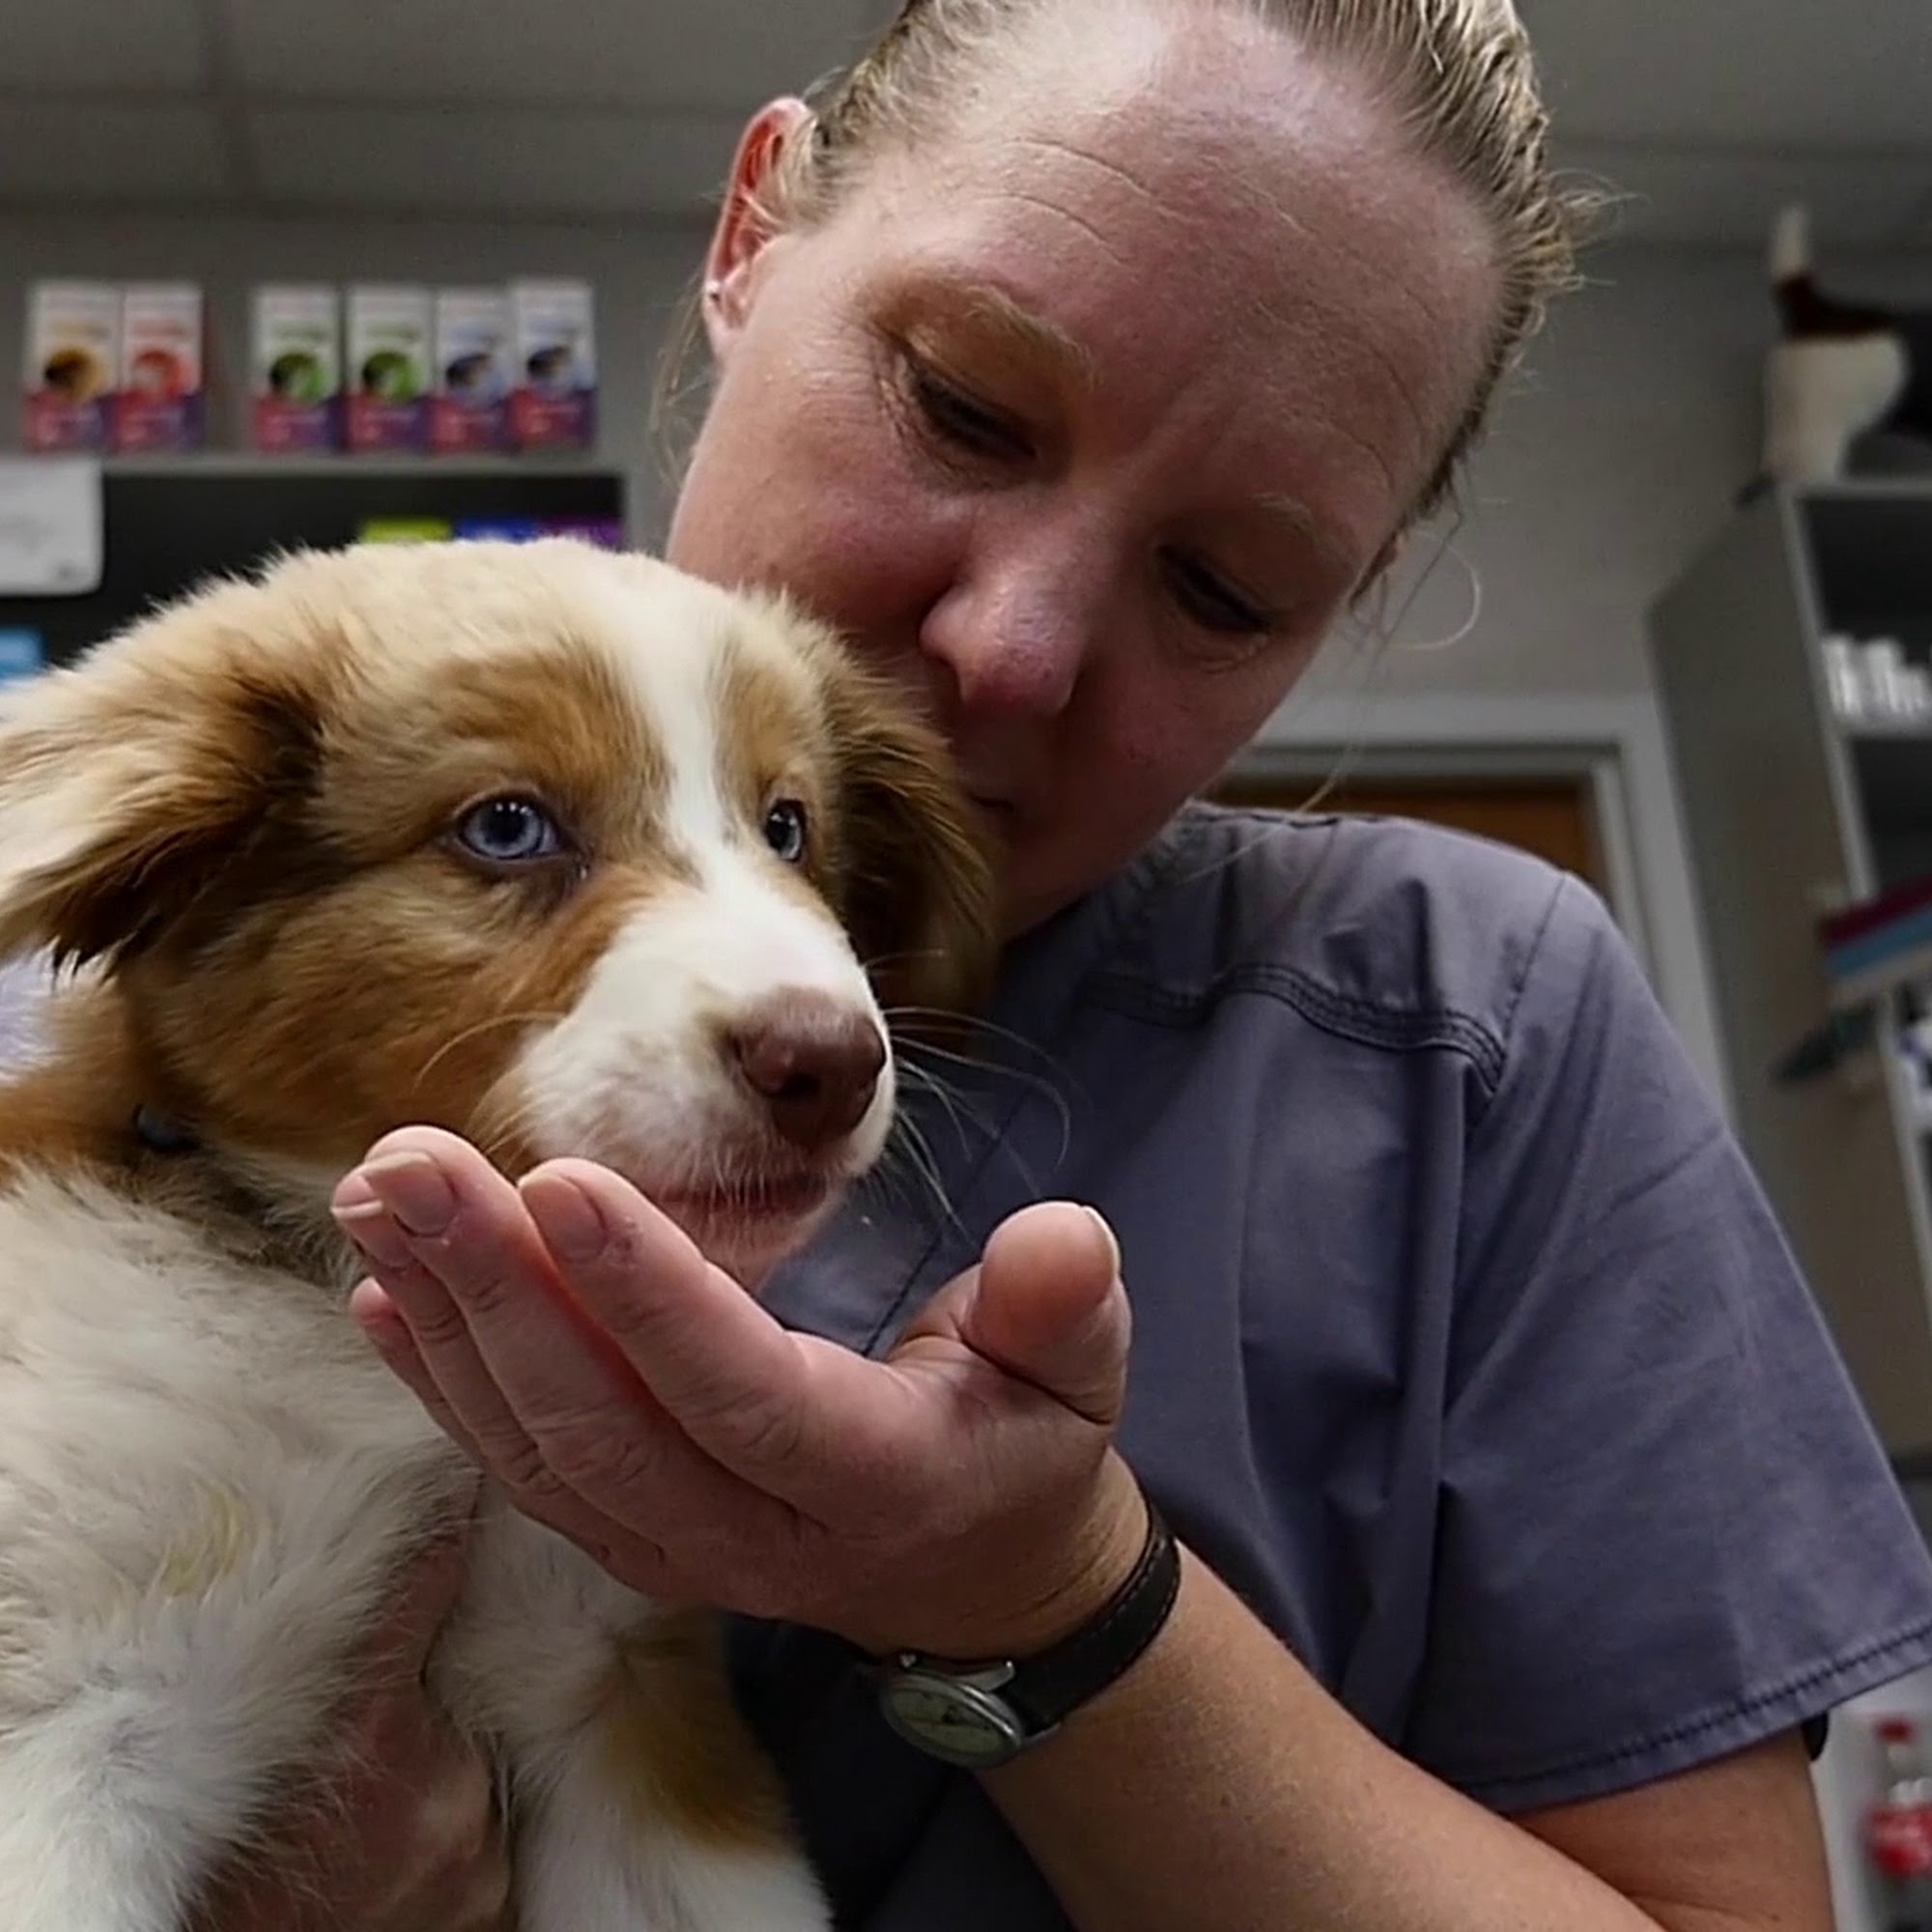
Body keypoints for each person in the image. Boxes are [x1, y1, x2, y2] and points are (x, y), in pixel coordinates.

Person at [163, 0, 1932, 1925]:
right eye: (963, 408)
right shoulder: (189, 923)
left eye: (1224, 588)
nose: (1014, 649)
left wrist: (1054, 1605)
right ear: (755, 228)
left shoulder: (1464, 1031)